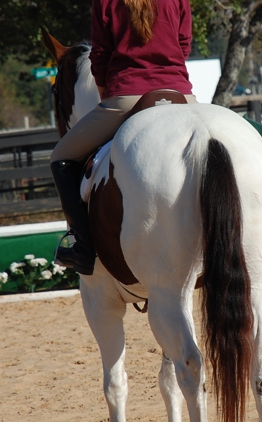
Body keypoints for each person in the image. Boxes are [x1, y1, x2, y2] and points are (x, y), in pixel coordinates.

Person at [50, 0, 195, 275]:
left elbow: (100, 56)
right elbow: (184, 44)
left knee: (61, 156)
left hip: (127, 95)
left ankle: (82, 250)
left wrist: (108, 95)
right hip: (181, 94)